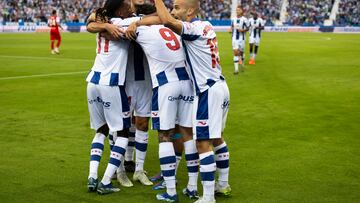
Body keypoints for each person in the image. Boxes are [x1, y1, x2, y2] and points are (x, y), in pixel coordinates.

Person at [136, 0, 232, 202]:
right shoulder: (206, 26)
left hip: (208, 90)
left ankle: (207, 197)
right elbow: (168, 19)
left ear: (190, 11)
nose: (173, 11)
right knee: (217, 139)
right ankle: (222, 185)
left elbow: (168, 22)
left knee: (203, 143)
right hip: (221, 87)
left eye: (177, 7)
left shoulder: (192, 29)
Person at [130, 22, 199, 202]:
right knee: (186, 133)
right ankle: (191, 187)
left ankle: (170, 190)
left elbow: (119, 32)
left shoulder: (145, 30)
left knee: (164, 136)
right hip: (187, 84)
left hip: (165, 85)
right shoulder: (175, 29)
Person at [85, 0, 142, 195]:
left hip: (92, 81)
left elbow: (90, 23)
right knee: (124, 133)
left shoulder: (104, 22)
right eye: (127, 4)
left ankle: (92, 176)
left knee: (101, 129)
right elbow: (156, 19)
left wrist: (105, 24)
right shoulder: (123, 23)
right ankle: (106, 180)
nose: (130, 7)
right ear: (119, 8)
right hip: (111, 83)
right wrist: (137, 21)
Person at [230, 6, 249, 73]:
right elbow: (232, 27)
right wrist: (230, 30)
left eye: (238, 10)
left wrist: (242, 30)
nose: (237, 11)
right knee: (235, 51)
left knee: (241, 52)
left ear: (241, 11)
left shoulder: (244, 19)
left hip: (242, 39)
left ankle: (241, 64)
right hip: (234, 38)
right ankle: (236, 69)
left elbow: (247, 28)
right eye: (236, 10)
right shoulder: (233, 19)